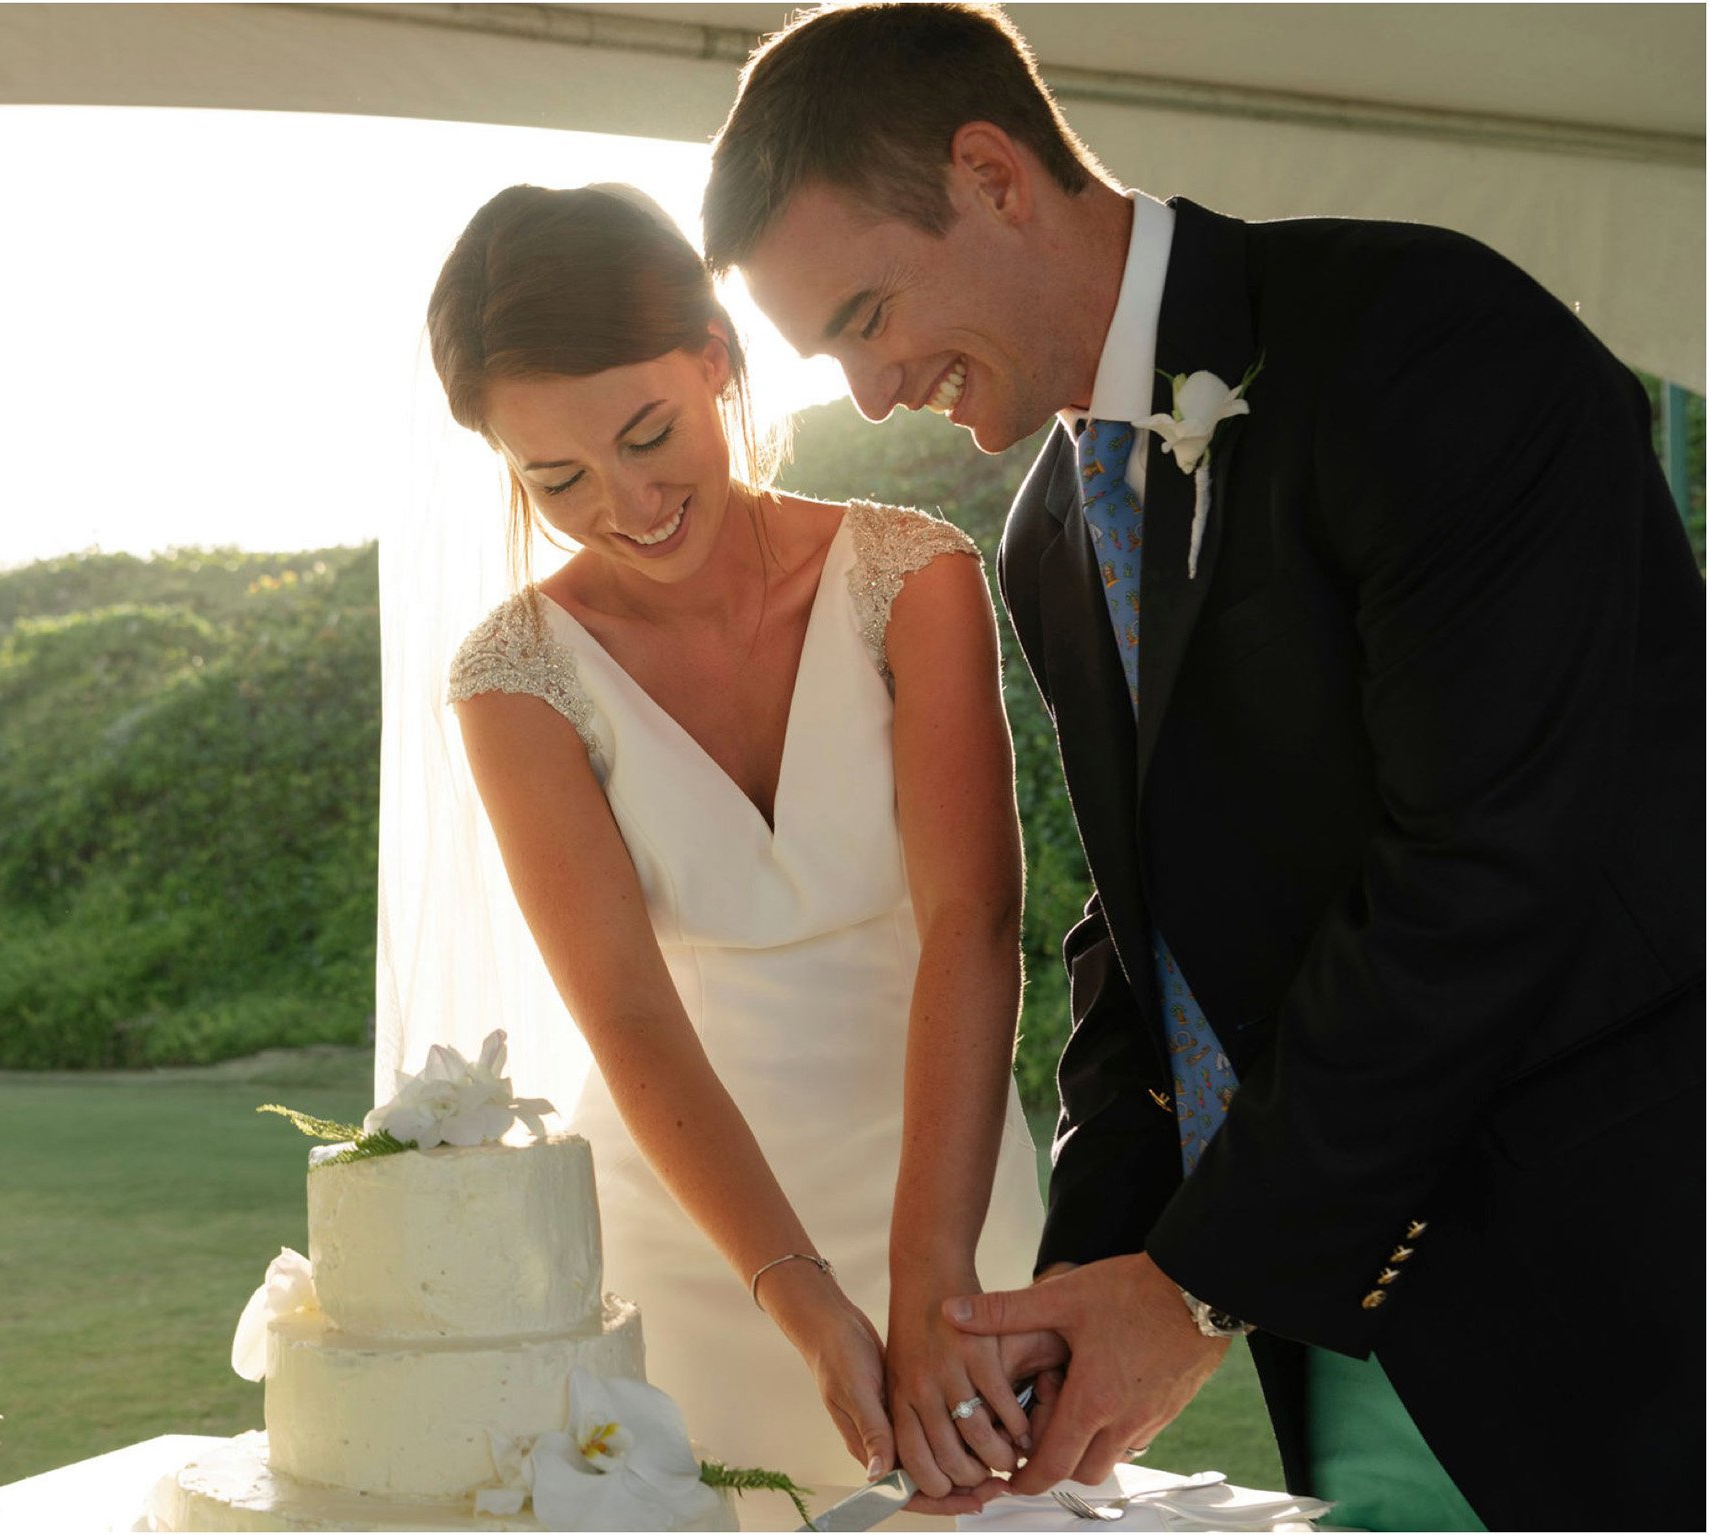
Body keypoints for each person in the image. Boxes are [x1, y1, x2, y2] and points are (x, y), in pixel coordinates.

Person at [702, 2, 1707, 1528]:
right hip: (1335, 1316)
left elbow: (1486, 866)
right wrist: (1077, 1292)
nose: (874, 393)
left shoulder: (1423, 338)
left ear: (992, 176)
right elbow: (1147, 936)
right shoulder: (1050, 536)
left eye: (865, 316)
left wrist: (1192, 1285)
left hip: (1623, 1289)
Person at [419, 181, 1045, 1489]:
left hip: (948, 1196)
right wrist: (803, 1299)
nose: (628, 501)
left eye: (648, 434)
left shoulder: (910, 578)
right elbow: (627, 1013)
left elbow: (972, 921)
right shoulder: (516, 676)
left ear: (715, 357)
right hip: (696, 1240)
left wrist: (930, 1272)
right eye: (557, 478)